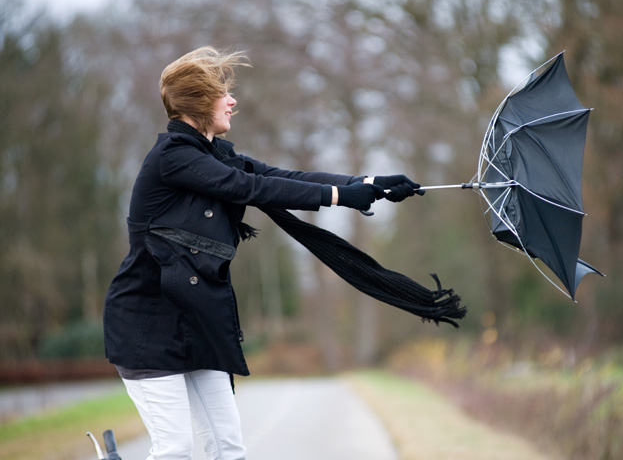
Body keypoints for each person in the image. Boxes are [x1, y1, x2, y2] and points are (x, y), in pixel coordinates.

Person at [102, 46, 422, 460]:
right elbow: (250, 189)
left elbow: (279, 176)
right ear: (199, 101)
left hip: (197, 321)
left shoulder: (216, 153)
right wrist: (340, 196)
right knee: (175, 450)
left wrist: (369, 181)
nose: (232, 101)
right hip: (147, 325)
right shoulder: (173, 158)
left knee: (228, 448)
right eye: (222, 93)